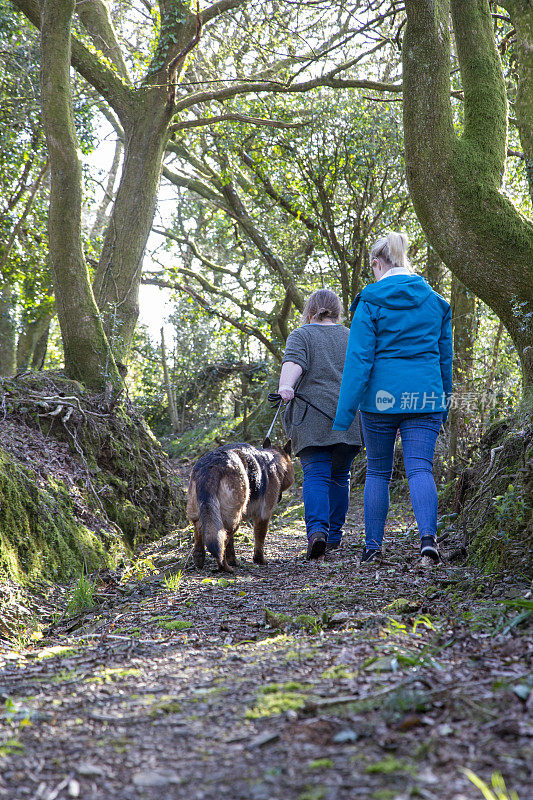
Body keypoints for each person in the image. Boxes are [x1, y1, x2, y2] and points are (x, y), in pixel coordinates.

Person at [333, 232, 453, 565]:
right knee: (420, 469)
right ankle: (428, 542)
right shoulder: (435, 302)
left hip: (380, 400)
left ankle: (372, 548)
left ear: (377, 263)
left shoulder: (370, 301)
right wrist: (443, 401)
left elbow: (359, 361)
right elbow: (446, 358)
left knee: (378, 472)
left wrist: (344, 416)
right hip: (425, 397)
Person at [278, 289, 363, 560]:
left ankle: (317, 533)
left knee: (316, 474)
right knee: (341, 476)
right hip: (349, 418)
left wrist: (285, 387)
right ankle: (335, 537)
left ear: (310, 311)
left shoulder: (301, 335)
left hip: (311, 418)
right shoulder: (352, 335)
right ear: (337, 312)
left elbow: (294, 363)